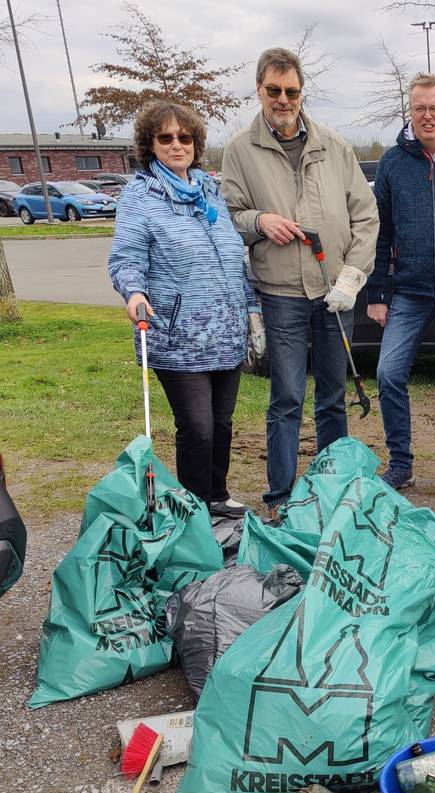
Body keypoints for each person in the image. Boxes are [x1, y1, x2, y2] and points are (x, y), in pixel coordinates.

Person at [221, 48, 378, 515]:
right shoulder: (238, 151)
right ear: (259, 90)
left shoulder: (333, 144)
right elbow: (226, 217)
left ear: (301, 91)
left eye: (291, 91)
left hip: (335, 293)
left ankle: (333, 492)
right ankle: (282, 498)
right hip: (282, 294)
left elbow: (365, 217)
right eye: (274, 90)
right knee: (287, 396)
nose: (283, 99)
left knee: (332, 397)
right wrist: (258, 221)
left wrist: (353, 275)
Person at [109, 100, 257, 516]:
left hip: (225, 332)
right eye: (166, 138)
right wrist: (134, 293)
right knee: (197, 427)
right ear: (150, 144)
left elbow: (232, 258)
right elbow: (126, 258)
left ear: (196, 142)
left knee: (222, 424)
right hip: (177, 335)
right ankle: (195, 508)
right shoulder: (140, 196)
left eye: (185, 137)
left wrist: (250, 308)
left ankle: (218, 495)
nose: (177, 145)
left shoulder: (209, 189)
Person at [367, 73, 435, 492]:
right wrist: (377, 292)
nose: (427, 115)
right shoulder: (394, 162)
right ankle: (401, 462)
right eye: (419, 108)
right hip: (409, 291)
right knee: (389, 372)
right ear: (410, 113)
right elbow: (381, 231)